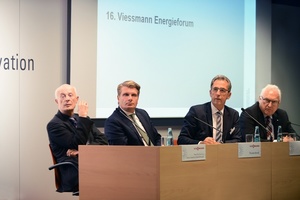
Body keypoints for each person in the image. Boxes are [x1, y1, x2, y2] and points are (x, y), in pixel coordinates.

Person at [47, 84, 108, 192]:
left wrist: (82, 151)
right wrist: (83, 117)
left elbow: (103, 140)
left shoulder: (80, 119)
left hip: (91, 164)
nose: (67, 99)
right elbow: (76, 143)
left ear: (76, 99)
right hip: (74, 170)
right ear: (57, 101)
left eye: (70, 95)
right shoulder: (54, 125)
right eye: (62, 96)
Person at [177, 75, 241, 145]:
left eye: (222, 90)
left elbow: (238, 139)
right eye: (215, 89)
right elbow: (182, 139)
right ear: (210, 92)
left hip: (224, 154)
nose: (218, 93)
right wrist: (201, 143)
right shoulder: (196, 112)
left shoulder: (233, 114)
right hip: (202, 154)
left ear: (229, 95)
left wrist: (221, 145)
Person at [104, 80, 161, 146]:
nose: (130, 98)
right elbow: (122, 150)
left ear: (138, 98)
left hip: (155, 154)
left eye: (134, 95)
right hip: (137, 155)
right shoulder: (113, 122)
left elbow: (157, 137)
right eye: (126, 95)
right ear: (118, 98)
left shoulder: (143, 114)